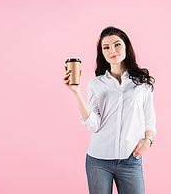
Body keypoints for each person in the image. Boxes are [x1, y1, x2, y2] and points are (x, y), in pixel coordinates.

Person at [63, 26, 156, 194]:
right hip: (98, 160)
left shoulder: (142, 84)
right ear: (102, 53)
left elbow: (150, 120)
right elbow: (94, 125)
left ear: (126, 47)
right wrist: (76, 92)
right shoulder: (96, 84)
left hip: (130, 159)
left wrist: (148, 141)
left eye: (117, 44)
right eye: (106, 47)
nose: (112, 50)